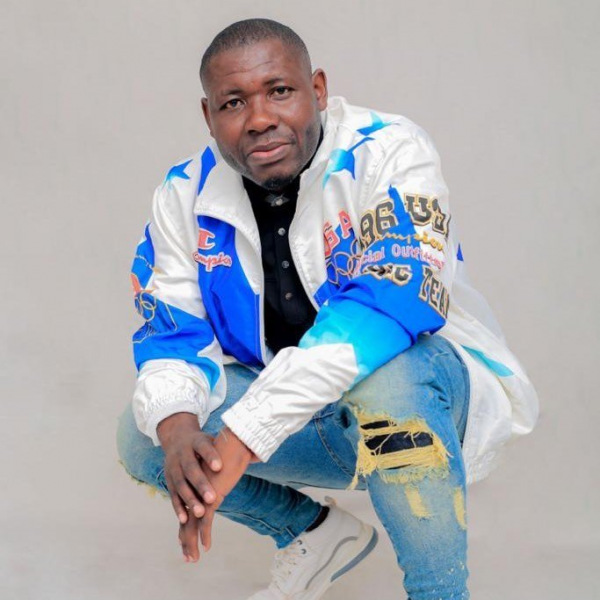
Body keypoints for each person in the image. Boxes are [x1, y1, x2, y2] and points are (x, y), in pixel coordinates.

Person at [117, 18, 538, 600]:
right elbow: (172, 335)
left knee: (390, 379)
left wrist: (241, 438)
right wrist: (181, 432)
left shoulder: (388, 150)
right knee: (151, 435)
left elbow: (389, 305)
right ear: (209, 116)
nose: (259, 118)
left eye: (279, 91)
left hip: (425, 400)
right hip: (305, 419)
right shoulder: (182, 193)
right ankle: (313, 535)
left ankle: (439, 593)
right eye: (234, 102)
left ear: (317, 89)